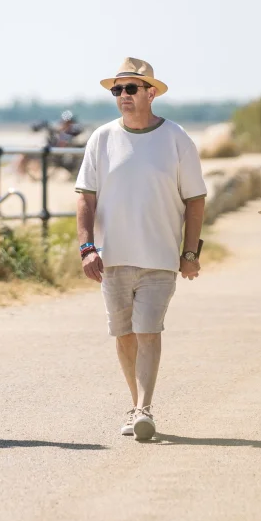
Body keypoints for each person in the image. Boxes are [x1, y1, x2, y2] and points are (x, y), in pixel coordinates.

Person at [75, 57, 207, 441]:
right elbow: (85, 195)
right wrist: (87, 247)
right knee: (124, 334)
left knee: (148, 330)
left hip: (160, 258)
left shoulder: (177, 139)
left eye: (131, 88)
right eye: (117, 90)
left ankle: (145, 408)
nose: (123, 96)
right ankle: (136, 407)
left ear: (151, 92)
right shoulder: (101, 138)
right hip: (112, 258)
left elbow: (196, 200)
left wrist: (190, 253)